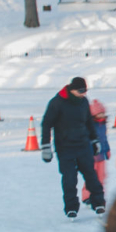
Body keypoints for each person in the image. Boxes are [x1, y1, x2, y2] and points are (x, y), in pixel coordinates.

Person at [41, 77, 106, 219]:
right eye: (81, 90)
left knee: (91, 175)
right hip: (65, 147)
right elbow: (46, 124)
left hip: (83, 145)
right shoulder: (57, 102)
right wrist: (46, 146)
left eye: (85, 90)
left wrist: (94, 140)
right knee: (69, 179)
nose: (83, 93)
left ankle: (99, 203)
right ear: (72, 89)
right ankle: (71, 208)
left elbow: (89, 122)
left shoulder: (83, 102)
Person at [83, 99, 113, 204]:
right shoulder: (90, 126)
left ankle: (99, 195)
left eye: (103, 113)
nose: (102, 115)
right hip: (91, 155)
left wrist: (107, 150)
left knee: (101, 176)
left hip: (101, 155)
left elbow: (104, 138)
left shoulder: (103, 125)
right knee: (91, 176)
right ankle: (87, 196)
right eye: (99, 113)